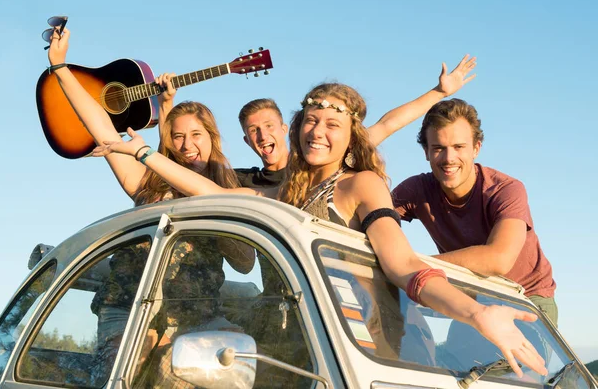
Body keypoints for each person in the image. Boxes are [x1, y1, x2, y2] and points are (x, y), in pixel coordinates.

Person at [93, 82, 548, 377]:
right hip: (291, 344)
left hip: (354, 346)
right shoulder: (285, 194)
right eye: (311, 120)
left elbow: (404, 264)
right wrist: (143, 155)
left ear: (352, 137)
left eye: (334, 124)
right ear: (297, 127)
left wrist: (474, 313)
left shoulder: (362, 185)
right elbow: (213, 193)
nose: (318, 131)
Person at [47, 28, 254, 388]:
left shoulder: (228, 191)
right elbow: (100, 125)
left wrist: (224, 218)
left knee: (246, 363)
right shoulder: (147, 183)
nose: (187, 145)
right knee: (121, 377)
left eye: (196, 135)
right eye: (178, 137)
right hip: (128, 308)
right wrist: (61, 67)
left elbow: (245, 261)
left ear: (212, 137)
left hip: (197, 318)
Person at [157, 54, 478, 188]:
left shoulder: (320, 160)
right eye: (253, 131)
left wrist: (437, 92)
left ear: (285, 130)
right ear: (246, 141)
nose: (261, 135)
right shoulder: (243, 181)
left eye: (268, 126)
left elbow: (387, 124)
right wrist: (166, 109)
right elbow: (185, 161)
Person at [390, 99, 557, 325]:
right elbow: (369, 218)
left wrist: (413, 266)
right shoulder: (416, 189)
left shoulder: (506, 189)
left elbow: (498, 259)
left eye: (459, 147)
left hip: (525, 298)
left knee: (506, 362)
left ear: (476, 148)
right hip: (473, 298)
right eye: (438, 148)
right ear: (426, 152)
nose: (449, 158)